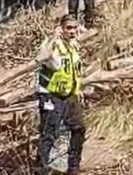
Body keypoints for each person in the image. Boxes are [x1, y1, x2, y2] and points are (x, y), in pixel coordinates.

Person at [34, 14, 86, 175]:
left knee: (79, 128)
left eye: (75, 28)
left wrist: (78, 91)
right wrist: (52, 38)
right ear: (61, 29)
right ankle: (41, 170)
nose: (72, 31)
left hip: (69, 95)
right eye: (68, 28)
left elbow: (73, 71)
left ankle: (73, 166)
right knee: (49, 134)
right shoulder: (53, 44)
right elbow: (40, 58)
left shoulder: (74, 45)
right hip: (51, 95)